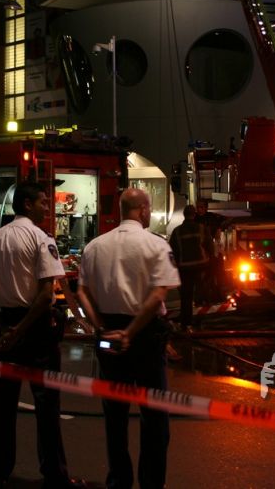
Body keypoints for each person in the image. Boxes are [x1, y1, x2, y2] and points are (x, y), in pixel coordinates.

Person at [0, 182, 85, 489]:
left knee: (2, 407)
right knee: (47, 407)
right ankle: (55, 476)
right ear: (27, 204)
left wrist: (3, 328)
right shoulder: (40, 238)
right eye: (43, 202)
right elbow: (44, 295)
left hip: (6, 330)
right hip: (36, 331)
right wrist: (20, 329)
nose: (48, 207)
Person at [77, 188, 181, 489]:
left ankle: (118, 481)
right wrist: (131, 332)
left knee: (115, 416)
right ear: (143, 210)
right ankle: (151, 483)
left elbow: (82, 291)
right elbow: (159, 294)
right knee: (155, 418)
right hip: (145, 336)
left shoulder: (95, 246)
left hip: (109, 334)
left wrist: (100, 328)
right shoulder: (155, 244)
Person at [169, 204, 213, 330]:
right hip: (201, 267)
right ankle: (202, 322)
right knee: (202, 294)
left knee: (186, 297)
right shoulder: (202, 228)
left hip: (184, 269)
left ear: (184, 215)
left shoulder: (177, 231)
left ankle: (186, 323)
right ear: (194, 214)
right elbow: (210, 246)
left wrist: (176, 266)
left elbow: (172, 251)